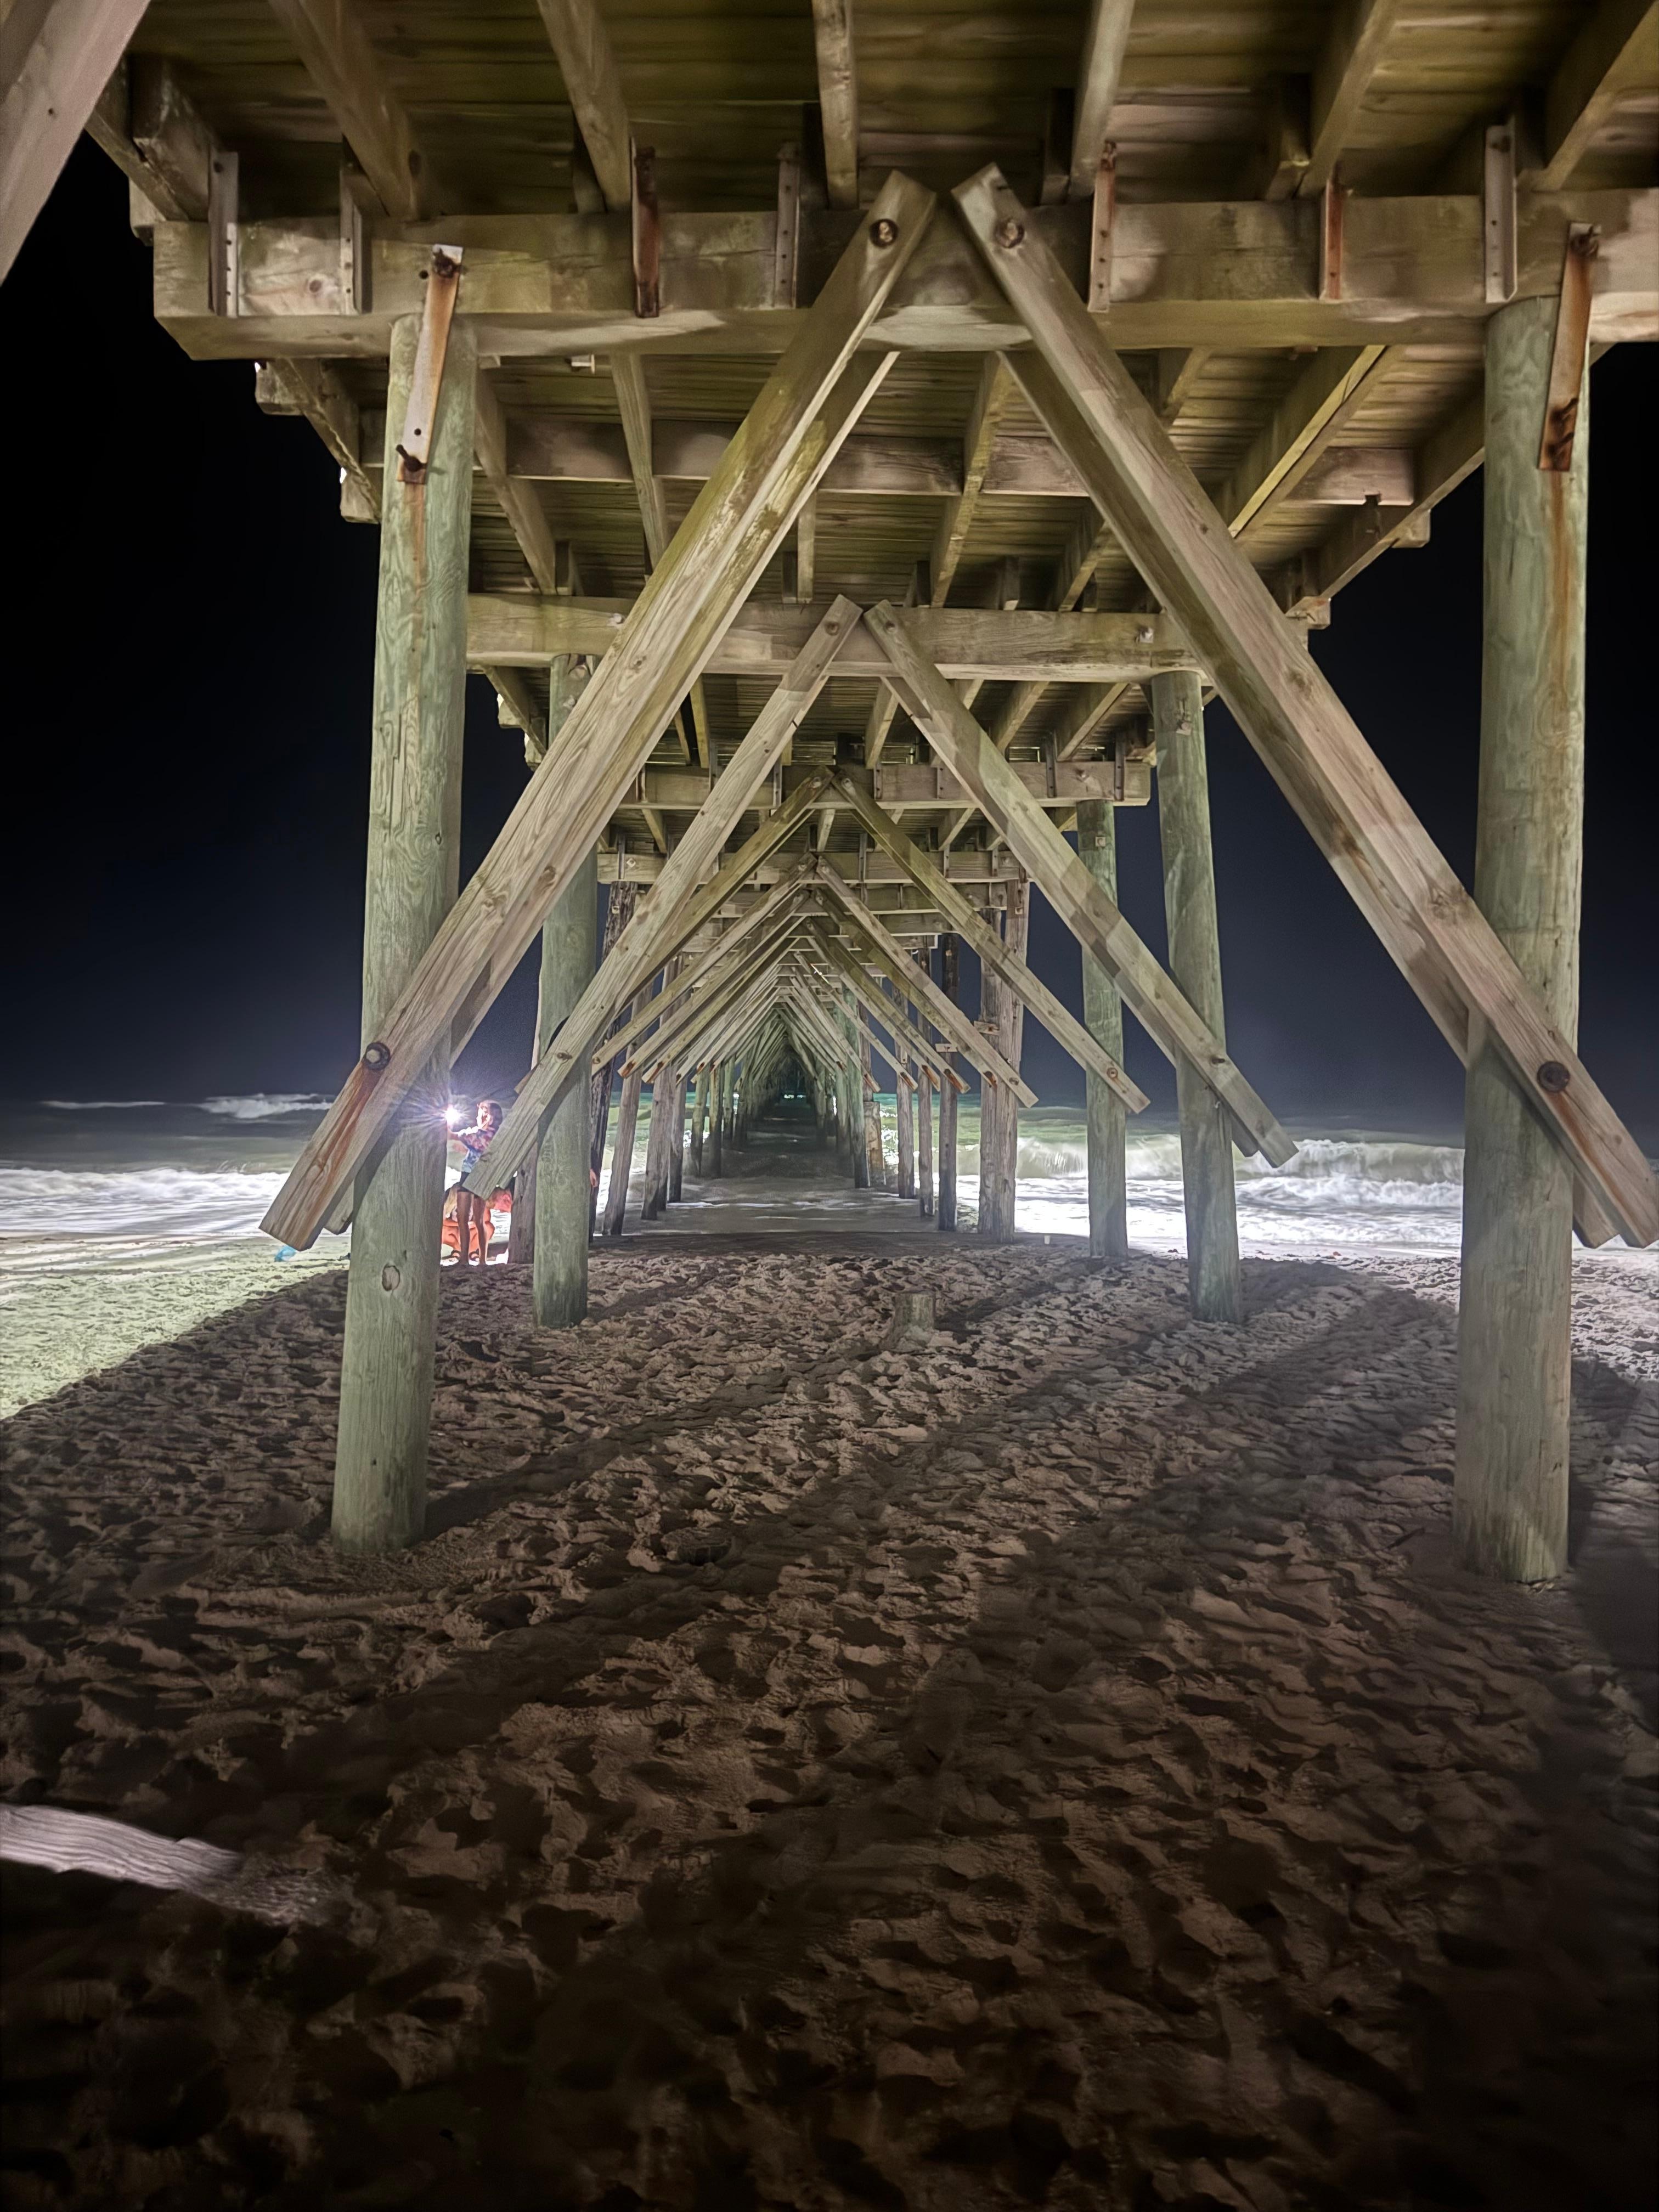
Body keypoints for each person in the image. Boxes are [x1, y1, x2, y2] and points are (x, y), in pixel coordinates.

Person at [450, 1100, 504, 1266]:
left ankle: (467, 1259)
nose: (479, 1114)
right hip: (482, 1176)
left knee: (465, 1218)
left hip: (472, 1175)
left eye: (482, 1111)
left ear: (490, 1115)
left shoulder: (484, 1134)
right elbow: (477, 1148)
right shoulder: (494, 1134)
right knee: (476, 1221)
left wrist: (446, 1127)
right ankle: (479, 1260)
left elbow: (458, 1136)